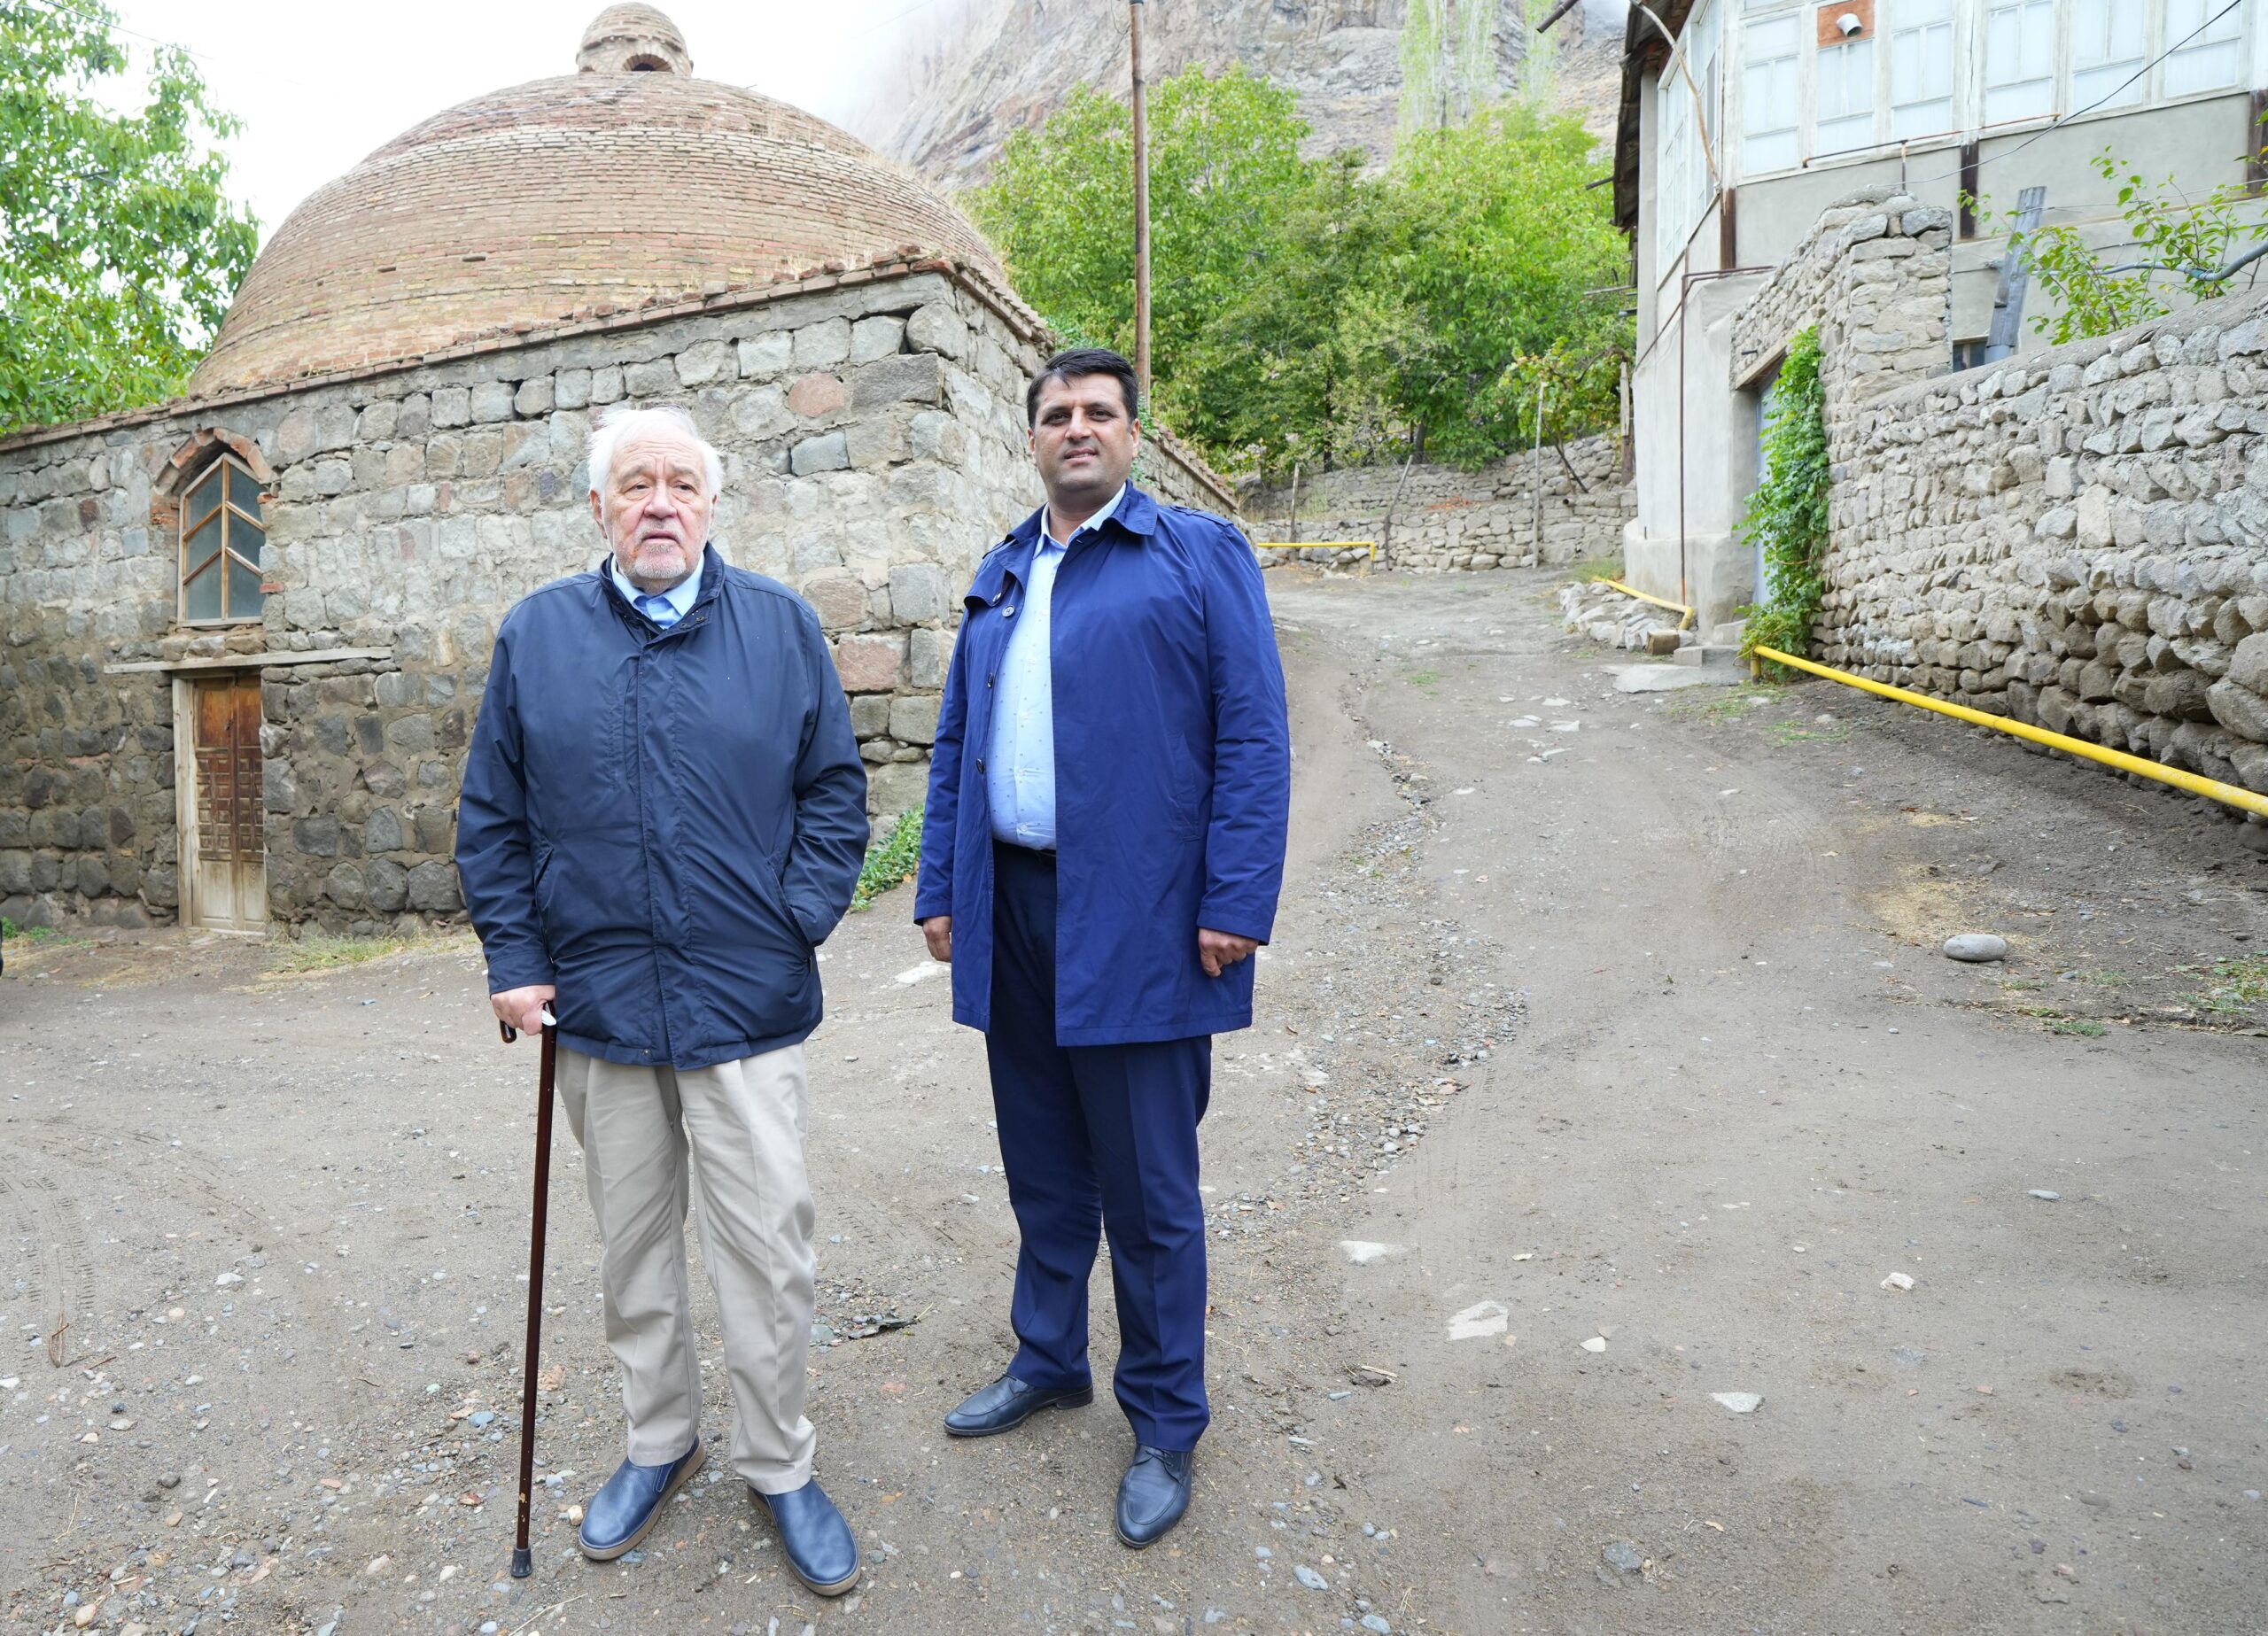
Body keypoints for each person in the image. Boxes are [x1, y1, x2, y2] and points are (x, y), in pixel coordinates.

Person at [455, 404, 869, 1595]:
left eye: (682, 484)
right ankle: (660, 1441)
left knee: (769, 1253)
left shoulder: (780, 627)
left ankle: (779, 1463)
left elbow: (836, 793)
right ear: (599, 507)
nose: (660, 505)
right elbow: (493, 815)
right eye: (636, 484)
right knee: (634, 1249)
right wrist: (515, 959)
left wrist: (792, 920)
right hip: (601, 1007)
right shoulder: (538, 634)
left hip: (747, 1007)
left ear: (712, 504)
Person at [913, 348, 1292, 1547]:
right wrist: (942, 886)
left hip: (1144, 913)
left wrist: (1237, 897)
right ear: (1030, 437)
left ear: (1132, 433)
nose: (1077, 428)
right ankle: (1049, 1358)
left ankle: (1167, 1418)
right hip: (1014, 907)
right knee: (1041, 1162)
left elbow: (1254, 735)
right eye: (1056, 414)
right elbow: (956, 741)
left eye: (1098, 412)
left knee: (1148, 1187)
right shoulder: (1004, 571)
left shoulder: (1197, 555)